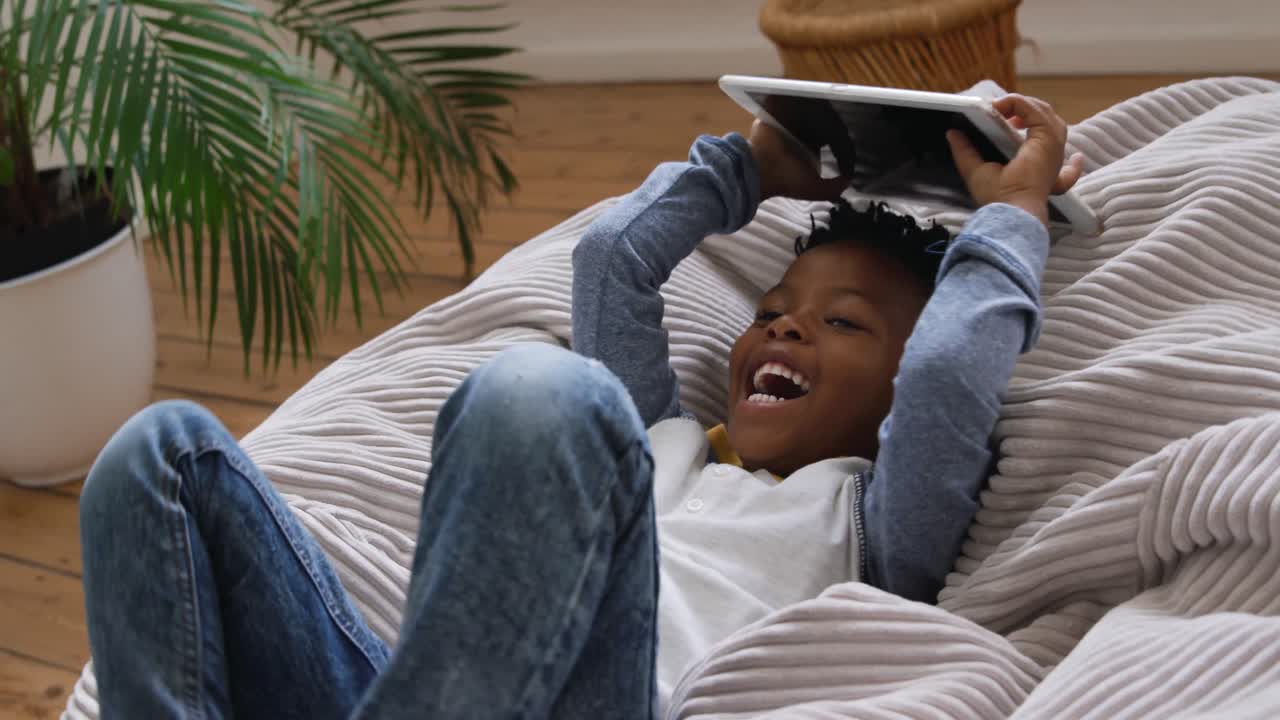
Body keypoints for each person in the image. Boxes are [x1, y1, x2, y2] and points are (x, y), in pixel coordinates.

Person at [79, 94, 1083, 719]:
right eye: (771, 311)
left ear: (896, 400)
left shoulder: (876, 518)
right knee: (163, 453)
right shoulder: (665, 438)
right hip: (433, 690)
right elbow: (613, 264)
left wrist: (1011, 213)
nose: (783, 328)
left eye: (843, 323)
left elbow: (948, 374)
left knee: (539, 392)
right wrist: (749, 169)